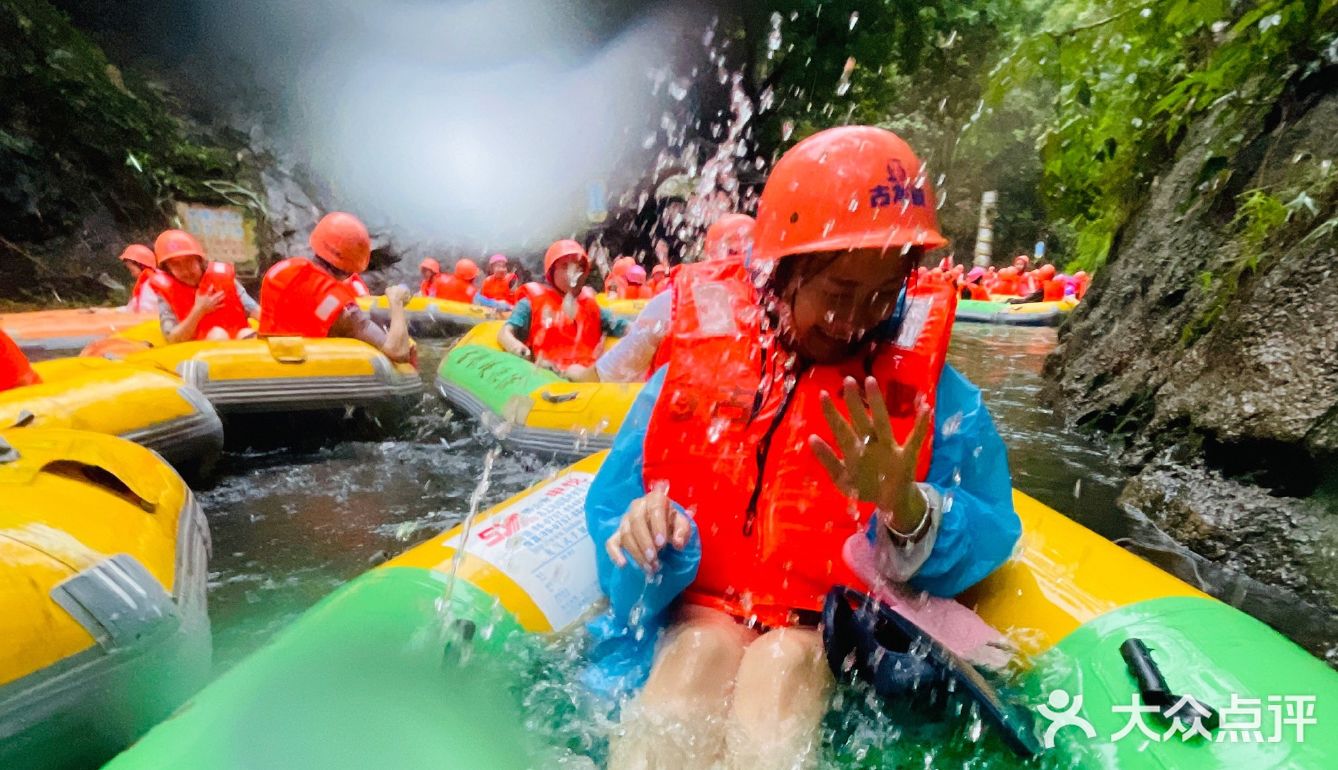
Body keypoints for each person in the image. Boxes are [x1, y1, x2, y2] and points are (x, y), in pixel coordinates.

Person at [584, 126, 1020, 769]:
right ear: (781, 272)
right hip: (700, 617)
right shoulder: (689, 373)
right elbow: (610, 512)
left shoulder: (940, 402)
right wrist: (649, 531)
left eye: (882, 295)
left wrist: (906, 506)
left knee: (783, 660)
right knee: (699, 652)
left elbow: (992, 528)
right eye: (838, 294)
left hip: (819, 636)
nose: (858, 318)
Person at [567, 213, 758, 384]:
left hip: (688, 416)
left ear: (708, 254)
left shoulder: (675, 299)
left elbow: (609, 374)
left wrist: (574, 372)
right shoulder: (772, 306)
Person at [258, 212, 413, 364]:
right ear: (353, 266)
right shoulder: (341, 307)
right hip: (308, 375)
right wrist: (397, 303)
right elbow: (397, 351)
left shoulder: (280, 270)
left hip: (266, 363)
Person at [497, 239, 629, 374]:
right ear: (552, 272)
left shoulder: (590, 305)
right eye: (565, 266)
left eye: (579, 267)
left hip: (587, 373)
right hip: (547, 373)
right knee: (574, 371)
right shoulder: (530, 303)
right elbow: (505, 332)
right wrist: (516, 348)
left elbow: (621, 326)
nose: (573, 273)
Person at [149, 230, 258, 343]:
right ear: (168, 270)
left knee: (246, 333)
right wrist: (199, 310)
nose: (186, 270)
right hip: (199, 354)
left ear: (199, 261)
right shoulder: (166, 294)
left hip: (239, 345)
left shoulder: (222, 279)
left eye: (189, 261)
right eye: (176, 265)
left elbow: (255, 310)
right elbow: (172, 338)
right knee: (217, 334)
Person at [118, 244, 159, 313]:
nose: (132, 274)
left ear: (142, 266)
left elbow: (142, 311)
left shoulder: (150, 286)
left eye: (132, 270)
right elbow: (131, 307)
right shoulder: (149, 283)